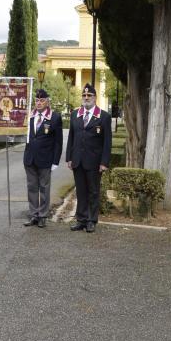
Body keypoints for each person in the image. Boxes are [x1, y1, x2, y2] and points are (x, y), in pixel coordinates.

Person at [66, 83, 112, 233]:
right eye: (84, 95)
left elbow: (107, 142)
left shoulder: (104, 116)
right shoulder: (75, 114)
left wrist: (104, 162)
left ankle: (92, 220)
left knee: (93, 191)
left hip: (94, 162)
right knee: (80, 191)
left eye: (89, 95)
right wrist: (69, 158)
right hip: (78, 160)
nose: (86, 98)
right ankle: (81, 219)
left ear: (95, 98)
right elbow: (71, 138)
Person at [22, 88, 63, 228]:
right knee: (32, 187)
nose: (39, 103)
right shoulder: (29, 116)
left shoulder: (55, 117)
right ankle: (34, 214)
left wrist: (55, 161)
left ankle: (43, 215)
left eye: (42, 100)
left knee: (44, 188)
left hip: (45, 159)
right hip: (29, 158)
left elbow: (58, 142)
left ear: (47, 101)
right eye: (37, 100)